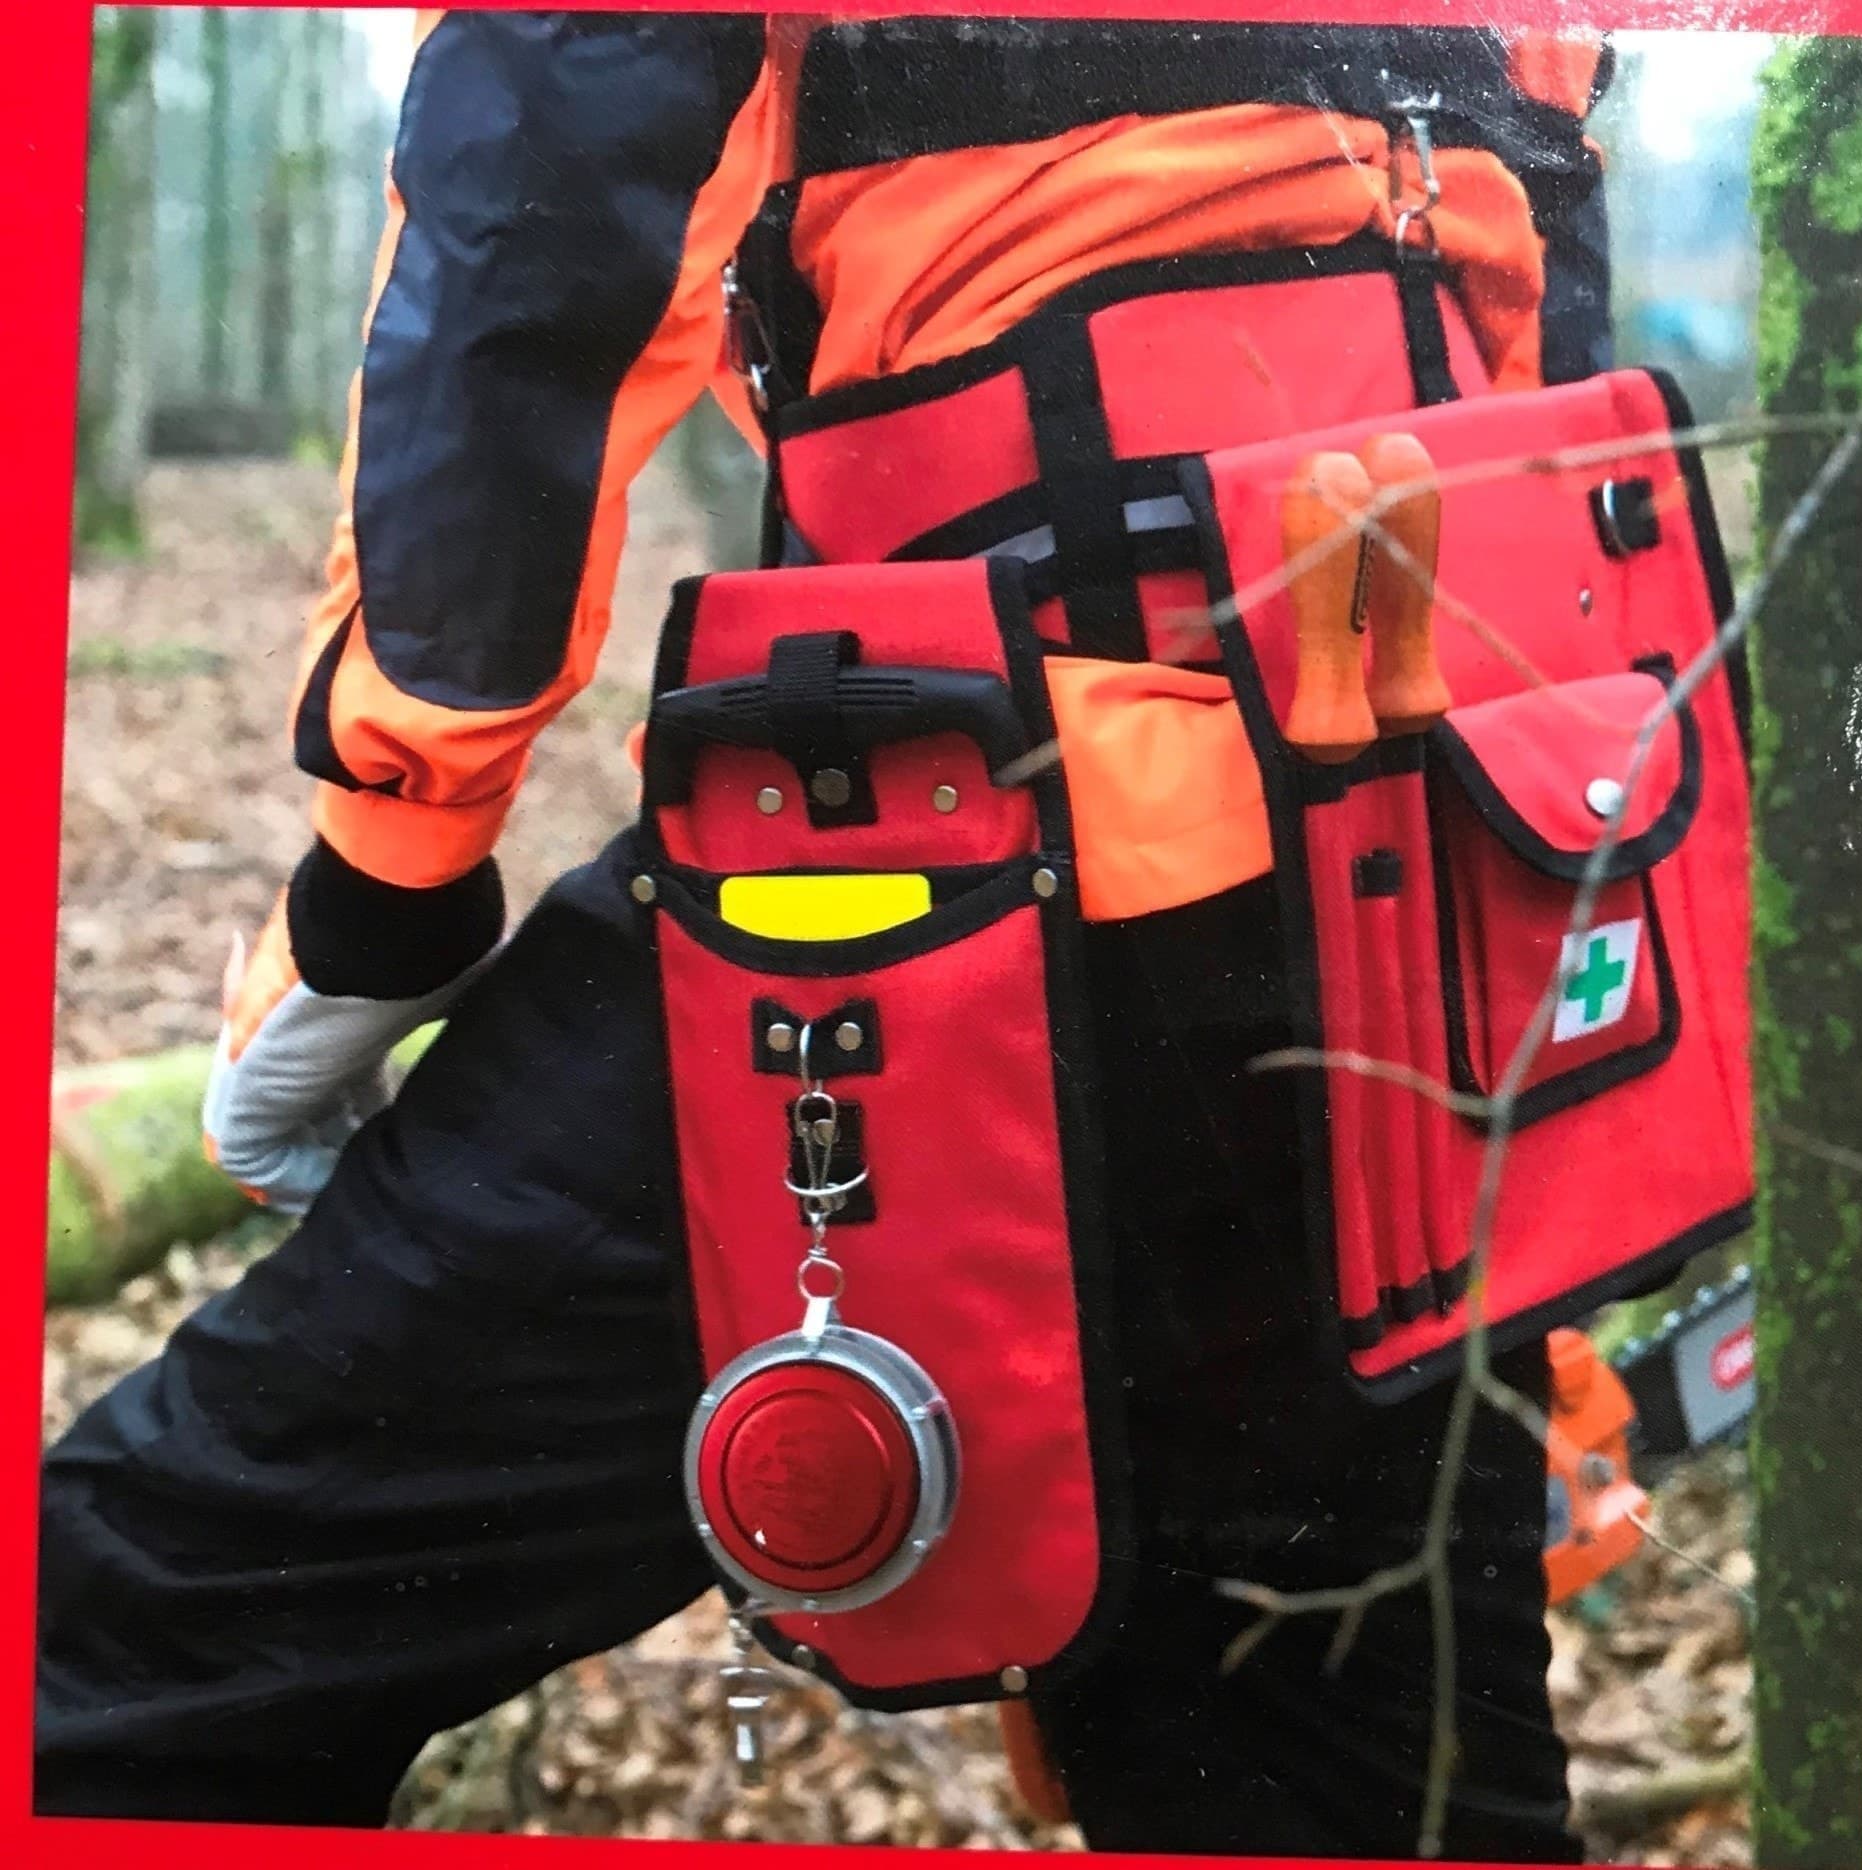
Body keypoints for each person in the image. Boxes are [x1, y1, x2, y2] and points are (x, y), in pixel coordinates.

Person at [37, 14, 1620, 1855]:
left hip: (945, 836)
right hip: (1407, 881)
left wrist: (388, 876)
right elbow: (1546, 301)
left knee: (120, 1650)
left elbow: (551, 163)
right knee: (1330, 1779)